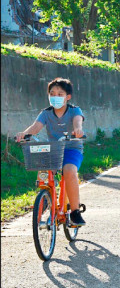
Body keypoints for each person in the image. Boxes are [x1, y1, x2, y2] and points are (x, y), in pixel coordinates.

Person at [15, 77, 87, 227]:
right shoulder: (46, 113)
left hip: (72, 148)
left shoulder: (75, 110)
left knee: (69, 171)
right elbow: (35, 127)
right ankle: (46, 199)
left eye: (60, 94)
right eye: (52, 93)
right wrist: (24, 134)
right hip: (53, 150)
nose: (55, 97)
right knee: (44, 173)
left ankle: (74, 212)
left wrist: (78, 130)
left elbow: (77, 121)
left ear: (68, 97)